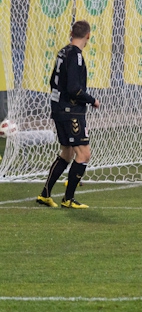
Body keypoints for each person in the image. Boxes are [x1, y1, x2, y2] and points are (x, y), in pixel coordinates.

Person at [36, 20, 100, 209]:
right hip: (71, 112)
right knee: (84, 154)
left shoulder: (63, 52)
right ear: (88, 35)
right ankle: (68, 199)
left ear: (71, 33)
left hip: (59, 109)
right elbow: (74, 89)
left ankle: (45, 195)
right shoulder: (76, 56)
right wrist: (92, 100)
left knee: (67, 153)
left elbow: (52, 81)